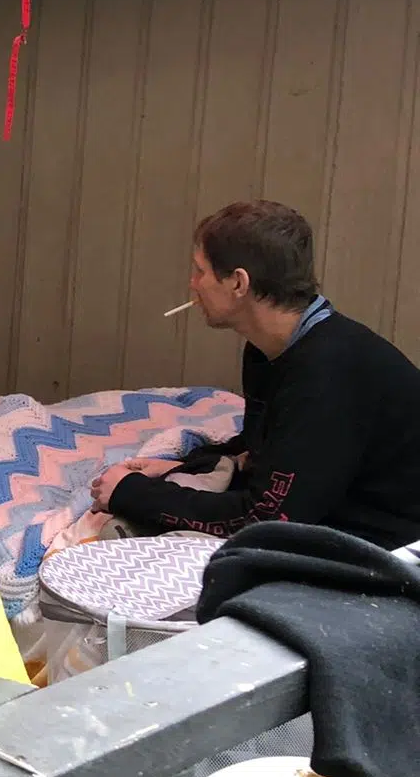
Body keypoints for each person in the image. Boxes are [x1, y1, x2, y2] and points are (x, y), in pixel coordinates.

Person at [92, 200, 420, 547]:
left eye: (200, 271)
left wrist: (131, 493)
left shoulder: (327, 371)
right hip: (328, 505)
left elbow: (268, 520)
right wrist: (178, 469)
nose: (194, 283)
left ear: (238, 283)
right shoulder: (270, 348)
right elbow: (265, 451)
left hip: (389, 540)